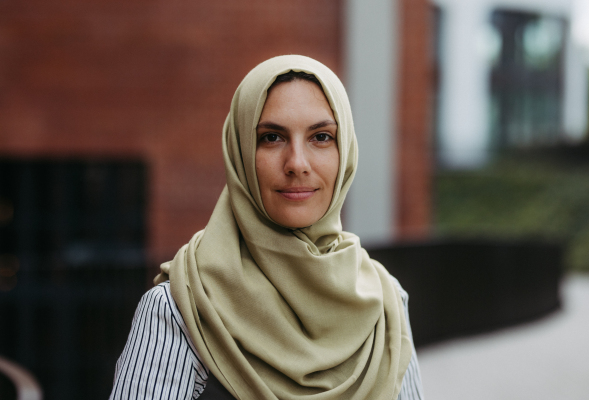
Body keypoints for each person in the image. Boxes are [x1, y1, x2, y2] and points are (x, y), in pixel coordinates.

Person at [109, 55, 424, 400]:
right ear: (241, 152)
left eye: (321, 137)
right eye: (272, 137)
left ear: (345, 152)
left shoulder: (385, 302)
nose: (297, 164)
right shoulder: (181, 308)